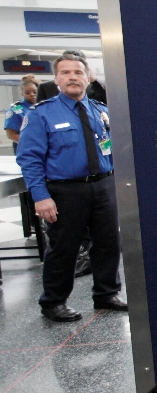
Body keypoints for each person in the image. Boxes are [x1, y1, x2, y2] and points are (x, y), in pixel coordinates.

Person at [17, 52, 126, 322]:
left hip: (102, 186)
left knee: (108, 244)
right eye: (65, 73)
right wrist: (41, 197)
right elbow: (29, 158)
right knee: (64, 248)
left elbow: (114, 151)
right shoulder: (42, 113)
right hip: (65, 191)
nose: (72, 77)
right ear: (56, 80)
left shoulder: (101, 112)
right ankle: (53, 302)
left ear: (88, 78)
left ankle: (107, 293)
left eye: (78, 72)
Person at [37, 49, 107, 104]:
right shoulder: (46, 88)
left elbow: (110, 102)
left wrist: (95, 81)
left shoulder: (95, 87)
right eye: (66, 72)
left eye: (78, 71)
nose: (72, 77)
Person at [5, 74, 38, 152]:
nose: (32, 94)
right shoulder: (15, 109)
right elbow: (11, 134)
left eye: (35, 92)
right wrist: (30, 145)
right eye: (27, 92)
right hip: (25, 148)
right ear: (22, 93)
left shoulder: (44, 107)